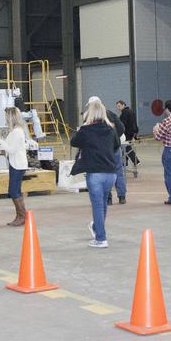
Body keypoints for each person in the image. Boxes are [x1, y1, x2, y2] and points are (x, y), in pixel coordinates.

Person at [70, 98, 120, 248]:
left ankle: (101, 238)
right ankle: (97, 227)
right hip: (110, 173)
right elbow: (116, 145)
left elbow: (73, 142)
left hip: (95, 173)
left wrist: (83, 127)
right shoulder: (111, 130)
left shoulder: (86, 130)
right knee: (103, 204)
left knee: (97, 206)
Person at [0, 107, 35, 226]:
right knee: (16, 191)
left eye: (6, 116)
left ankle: (22, 216)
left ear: (11, 117)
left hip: (18, 165)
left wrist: (0, 140)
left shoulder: (17, 131)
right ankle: (20, 216)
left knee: (13, 191)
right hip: (15, 164)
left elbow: (11, 149)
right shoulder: (14, 130)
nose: (5, 118)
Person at [115, 100, 141, 167]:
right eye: (117, 106)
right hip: (131, 132)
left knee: (126, 147)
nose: (118, 108)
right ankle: (125, 162)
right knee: (125, 147)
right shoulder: (130, 111)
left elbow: (123, 124)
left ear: (123, 105)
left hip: (127, 133)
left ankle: (136, 161)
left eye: (119, 106)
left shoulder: (125, 113)